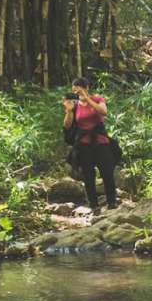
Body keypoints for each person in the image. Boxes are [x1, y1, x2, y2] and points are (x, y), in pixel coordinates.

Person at [62, 77, 117, 213]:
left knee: (107, 172)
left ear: (86, 87)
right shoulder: (74, 105)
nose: (77, 93)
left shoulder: (98, 99)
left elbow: (103, 112)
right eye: (75, 91)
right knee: (88, 174)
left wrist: (87, 98)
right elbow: (67, 125)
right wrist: (69, 111)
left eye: (79, 89)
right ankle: (93, 205)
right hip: (84, 143)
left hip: (100, 141)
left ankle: (112, 203)